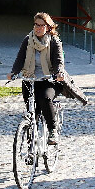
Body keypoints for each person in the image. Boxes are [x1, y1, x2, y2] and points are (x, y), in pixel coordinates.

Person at [8, 12, 66, 145]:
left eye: (42, 25)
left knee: (44, 99)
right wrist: (14, 72)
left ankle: (52, 131)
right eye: (36, 24)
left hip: (49, 80)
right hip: (30, 79)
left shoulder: (54, 41)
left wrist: (58, 73)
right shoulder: (28, 40)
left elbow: (58, 61)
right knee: (31, 112)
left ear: (48, 27)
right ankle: (30, 144)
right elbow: (20, 58)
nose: (38, 28)